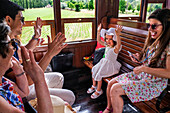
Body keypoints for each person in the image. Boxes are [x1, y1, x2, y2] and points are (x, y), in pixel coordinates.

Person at [0, 0, 75, 105]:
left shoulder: (12, 42)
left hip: (25, 80)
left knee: (59, 77)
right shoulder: (5, 50)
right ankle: (41, 104)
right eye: (21, 19)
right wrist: (49, 54)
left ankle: (50, 103)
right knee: (70, 96)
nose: (24, 23)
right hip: (23, 88)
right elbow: (28, 81)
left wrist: (36, 36)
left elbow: (24, 50)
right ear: (8, 20)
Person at [102, 8, 170, 113]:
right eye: (149, 25)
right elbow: (148, 61)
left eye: (154, 26)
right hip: (143, 76)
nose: (150, 29)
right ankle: (109, 109)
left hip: (154, 83)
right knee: (111, 83)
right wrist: (139, 59)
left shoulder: (168, 46)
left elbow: (168, 73)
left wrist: (144, 68)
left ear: (166, 26)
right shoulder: (154, 41)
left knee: (115, 89)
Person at [0, 22, 53, 113]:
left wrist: (19, 70)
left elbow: (24, 93)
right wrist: (39, 78)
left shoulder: (3, 80)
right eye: (10, 45)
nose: (13, 50)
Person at [87, 24, 123, 99]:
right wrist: (98, 31)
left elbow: (119, 44)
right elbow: (99, 40)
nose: (108, 41)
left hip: (110, 66)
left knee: (100, 74)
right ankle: (94, 85)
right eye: (106, 39)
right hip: (103, 63)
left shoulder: (115, 49)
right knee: (94, 69)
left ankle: (99, 90)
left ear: (114, 40)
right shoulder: (107, 46)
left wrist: (117, 34)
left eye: (110, 39)